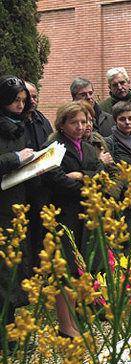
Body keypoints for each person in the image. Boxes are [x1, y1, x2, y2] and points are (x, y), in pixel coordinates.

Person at [43, 101, 102, 338]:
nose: (80, 126)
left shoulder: (88, 148)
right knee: (65, 269)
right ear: (62, 124)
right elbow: (57, 180)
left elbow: (102, 175)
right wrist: (86, 184)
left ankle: (76, 316)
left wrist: (82, 176)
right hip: (62, 216)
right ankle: (65, 325)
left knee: (81, 266)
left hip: (86, 215)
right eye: (74, 122)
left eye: (84, 122)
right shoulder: (54, 148)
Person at [0, 75, 34, 350]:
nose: (19, 106)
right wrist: (16, 159)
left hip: (17, 204)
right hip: (2, 207)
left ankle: (11, 331)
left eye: (23, 101)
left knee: (12, 272)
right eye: (14, 100)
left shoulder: (20, 126)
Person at [24, 81, 54, 268]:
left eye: (35, 97)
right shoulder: (13, 122)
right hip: (23, 187)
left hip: (43, 186)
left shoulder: (41, 119)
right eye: (29, 97)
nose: (33, 101)